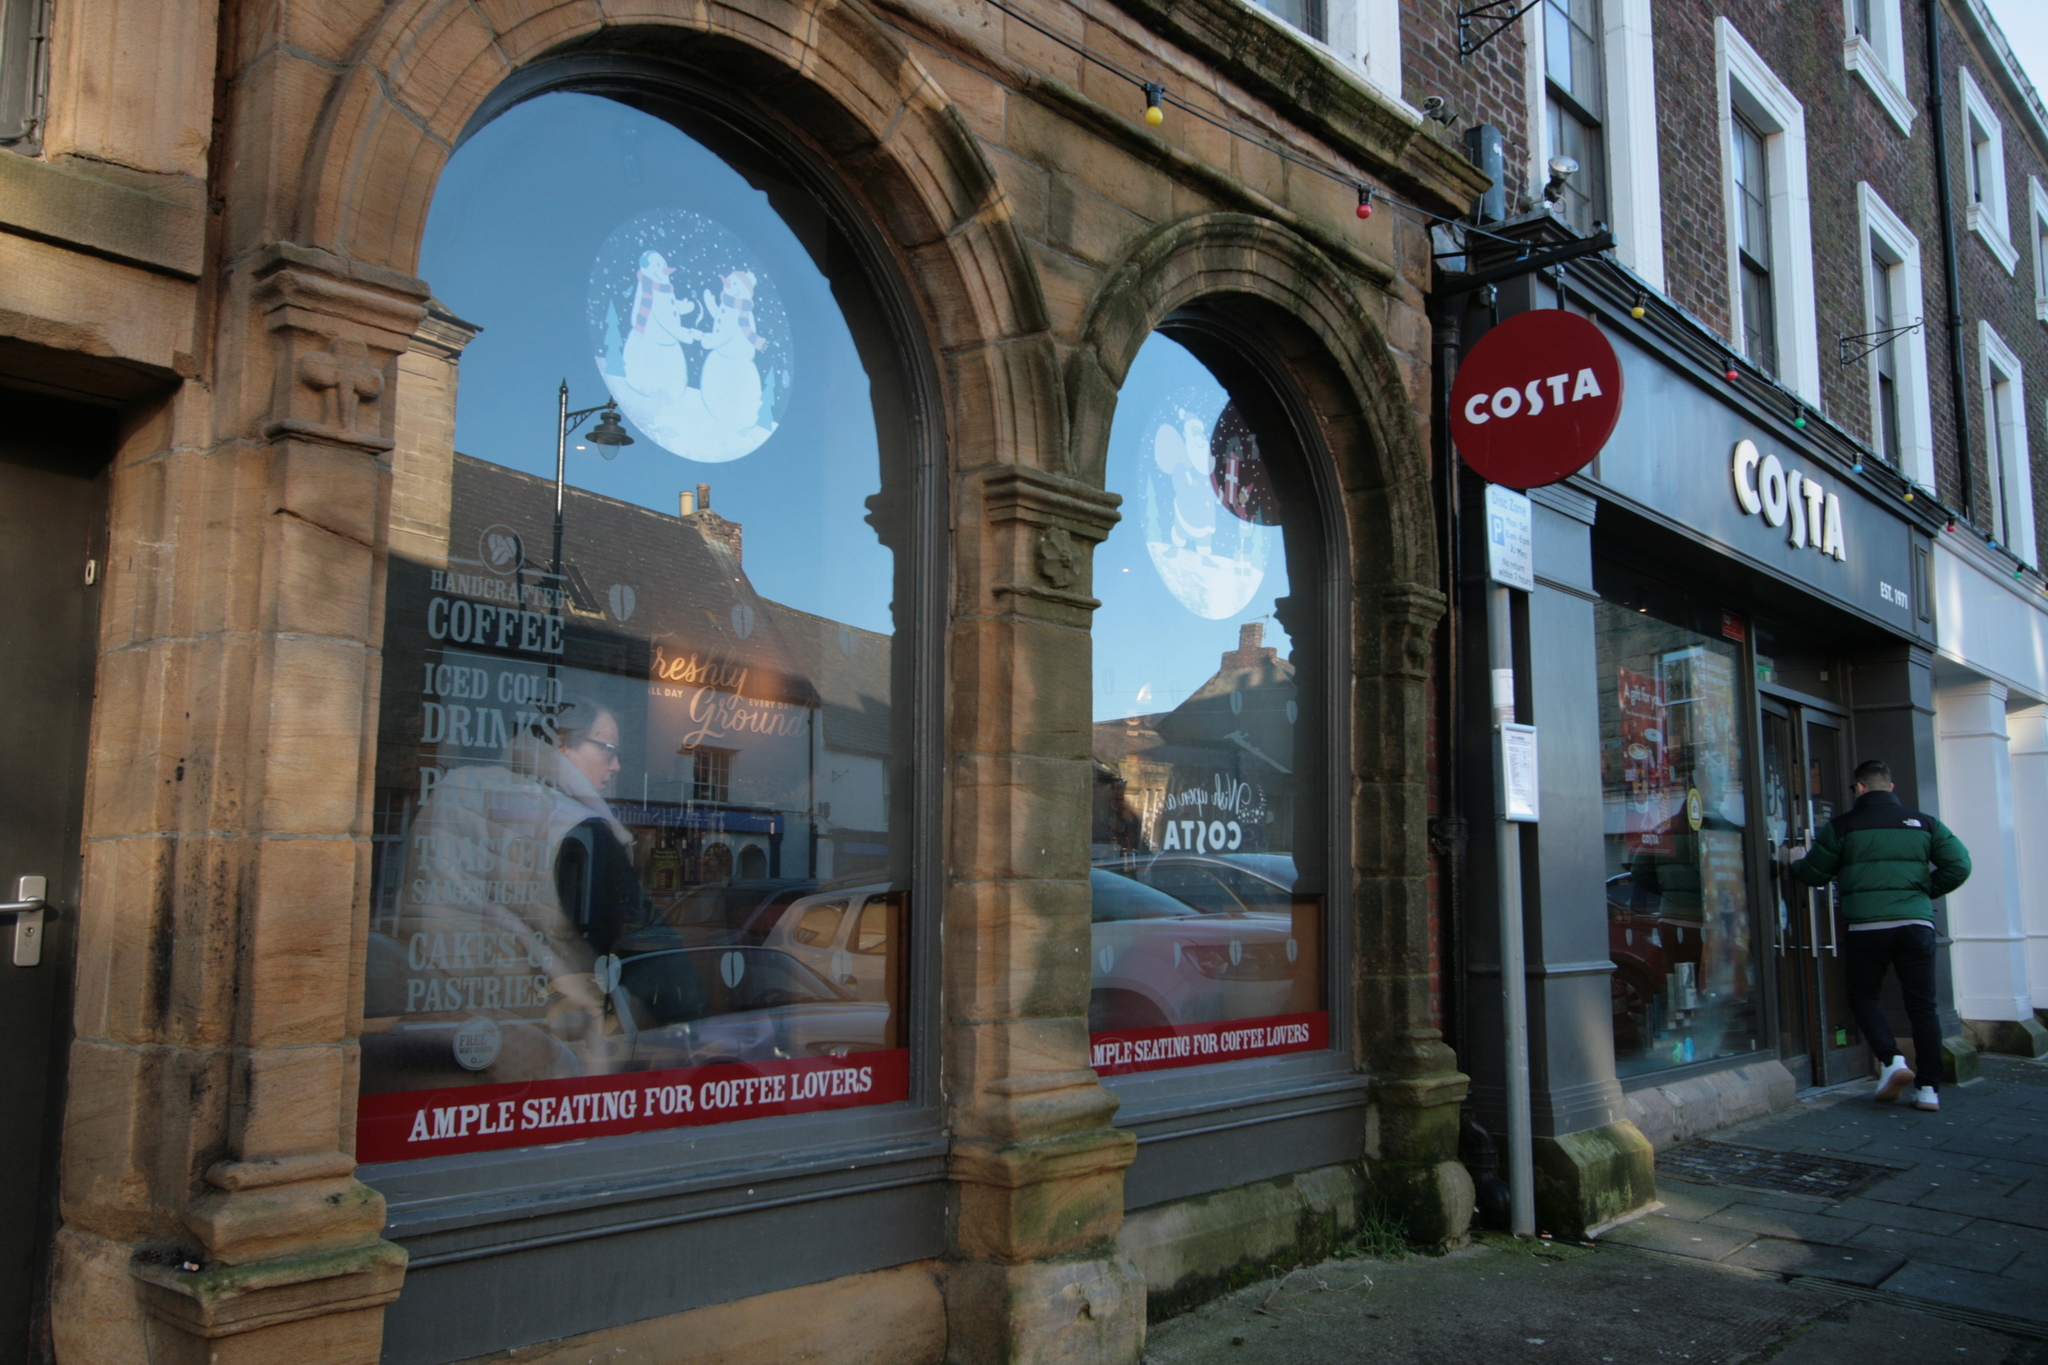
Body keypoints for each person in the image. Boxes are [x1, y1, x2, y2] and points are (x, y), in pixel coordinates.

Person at [1788, 759, 1970, 1112]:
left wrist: (1794, 862)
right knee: (1923, 1006)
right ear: (1890, 787)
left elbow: (1814, 874)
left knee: (1863, 997)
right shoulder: (1925, 823)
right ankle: (1928, 1090)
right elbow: (1960, 865)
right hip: (1916, 926)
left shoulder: (1843, 826)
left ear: (1859, 788)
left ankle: (1891, 1060)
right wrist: (1920, 893)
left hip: (1868, 928)